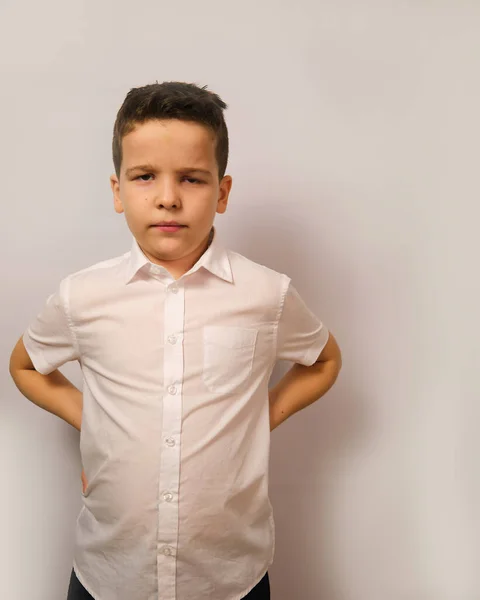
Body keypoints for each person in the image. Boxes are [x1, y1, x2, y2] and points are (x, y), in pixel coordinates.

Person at [9, 82, 342, 600]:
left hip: (230, 578)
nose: (168, 196)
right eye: (145, 177)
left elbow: (324, 360)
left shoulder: (266, 294)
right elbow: (26, 366)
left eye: (191, 178)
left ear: (223, 192)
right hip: (110, 575)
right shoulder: (82, 297)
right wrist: (89, 418)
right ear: (118, 191)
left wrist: (264, 414)